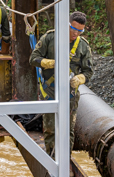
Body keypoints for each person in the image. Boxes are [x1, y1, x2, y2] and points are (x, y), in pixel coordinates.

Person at [29, 11, 94, 158]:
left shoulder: (83, 46)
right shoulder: (50, 38)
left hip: (70, 94)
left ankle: (65, 160)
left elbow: (89, 71)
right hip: (50, 91)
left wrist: (80, 78)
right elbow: (33, 59)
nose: (76, 33)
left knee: (68, 129)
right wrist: (48, 63)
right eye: (74, 29)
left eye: (80, 31)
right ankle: (52, 158)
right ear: (67, 24)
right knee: (51, 128)